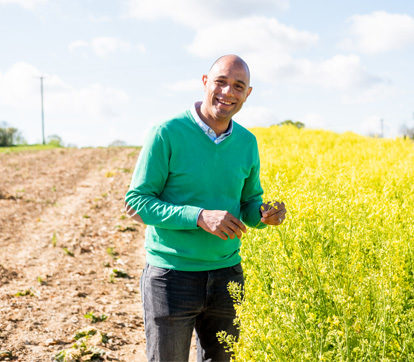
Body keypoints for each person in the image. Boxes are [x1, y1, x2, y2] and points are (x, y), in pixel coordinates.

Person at [125, 54, 286, 362]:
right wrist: (198, 216)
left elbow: (249, 203)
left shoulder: (247, 142)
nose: (228, 92)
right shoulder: (167, 132)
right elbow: (136, 202)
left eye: (238, 86)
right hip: (171, 276)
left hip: (227, 275)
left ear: (248, 93)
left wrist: (265, 215)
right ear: (204, 83)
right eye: (221, 82)